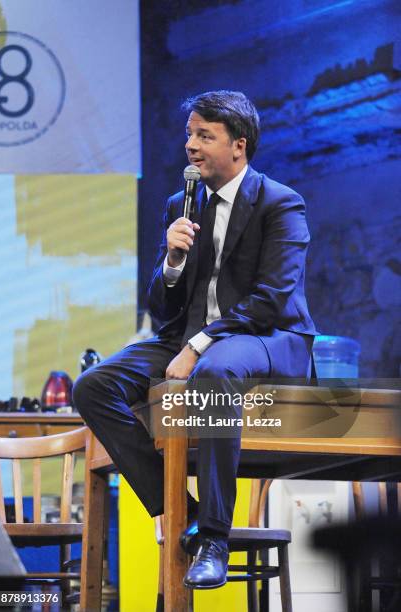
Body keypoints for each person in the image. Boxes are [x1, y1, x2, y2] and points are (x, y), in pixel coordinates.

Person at [73, 90, 316, 589]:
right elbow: (161, 309)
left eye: (205, 135)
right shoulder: (180, 205)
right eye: (189, 133)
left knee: (215, 369)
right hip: (190, 336)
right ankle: (181, 509)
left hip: (266, 336)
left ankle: (214, 539)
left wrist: (198, 345)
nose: (191, 145)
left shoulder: (280, 203)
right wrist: (172, 262)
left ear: (239, 146)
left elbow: (270, 300)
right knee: (92, 386)